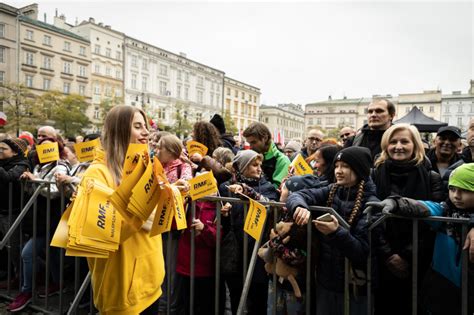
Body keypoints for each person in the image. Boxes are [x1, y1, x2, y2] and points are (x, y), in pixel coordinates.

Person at [72, 106, 166, 314]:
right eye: (137, 126)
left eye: (145, 126)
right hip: (122, 292)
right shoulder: (96, 174)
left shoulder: (145, 167)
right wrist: (143, 208)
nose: (145, 132)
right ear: (119, 130)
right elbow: (104, 234)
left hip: (152, 283)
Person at [368, 163, 474, 315]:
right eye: (452, 189)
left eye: (465, 190)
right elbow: (421, 206)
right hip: (441, 288)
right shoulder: (445, 211)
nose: (456, 195)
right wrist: (395, 202)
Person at [286, 146, 382, 315]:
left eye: (345, 166)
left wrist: (335, 232)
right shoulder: (333, 189)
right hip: (326, 281)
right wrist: (299, 207)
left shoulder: (372, 204)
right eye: (337, 166)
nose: (338, 171)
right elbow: (297, 195)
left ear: (359, 169)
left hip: (356, 286)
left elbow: (361, 251)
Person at [371, 123, 444, 315]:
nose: (398, 146)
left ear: (416, 145)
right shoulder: (375, 174)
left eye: (405, 141)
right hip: (382, 258)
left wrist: (406, 255)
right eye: (393, 141)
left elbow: (434, 221)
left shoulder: (431, 177)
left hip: (419, 260)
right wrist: (388, 255)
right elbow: (371, 216)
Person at [7, 137, 70, 312]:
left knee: (27, 253)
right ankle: (58, 284)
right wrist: (28, 180)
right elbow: (31, 192)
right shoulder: (37, 166)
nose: (45, 150)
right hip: (40, 219)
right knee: (53, 254)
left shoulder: (61, 167)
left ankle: (26, 292)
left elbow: (55, 193)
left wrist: (35, 180)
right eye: (41, 147)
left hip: (52, 219)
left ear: (57, 149)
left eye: (49, 147)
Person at [219, 149, 279, 314]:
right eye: (254, 165)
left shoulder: (267, 187)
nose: (259, 168)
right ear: (241, 167)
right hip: (236, 250)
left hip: (257, 249)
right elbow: (222, 223)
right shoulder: (225, 188)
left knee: (258, 297)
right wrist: (224, 214)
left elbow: (272, 209)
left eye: (260, 164)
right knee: (236, 294)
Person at [0, 138, 30, 290]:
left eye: (3, 148)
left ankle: (21, 278)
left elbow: (8, 178)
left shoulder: (22, 164)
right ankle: (9, 275)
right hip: (2, 211)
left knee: (15, 248)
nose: (0, 151)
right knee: (5, 248)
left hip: (13, 213)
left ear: (13, 151)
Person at [243, 122, 290, 189]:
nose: (250, 146)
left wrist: (251, 191)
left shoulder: (282, 160)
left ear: (265, 138)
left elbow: (276, 189)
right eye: (249, 143)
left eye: (254, 142)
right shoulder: (251, 156)